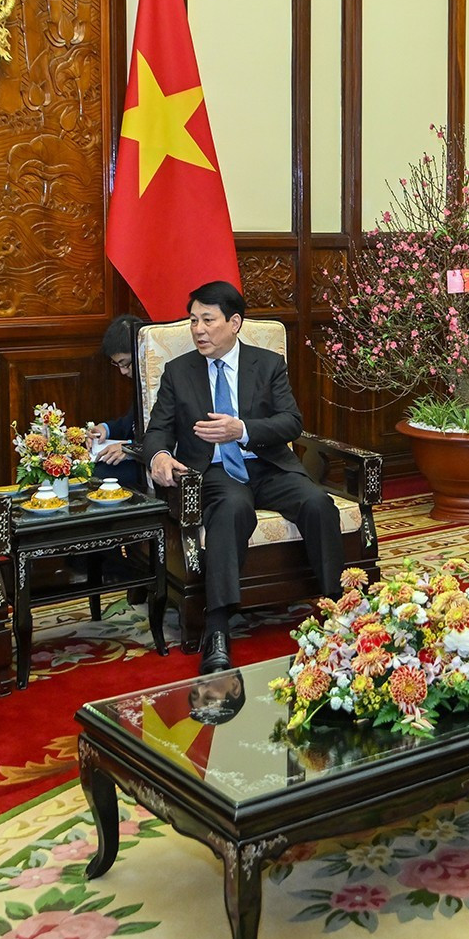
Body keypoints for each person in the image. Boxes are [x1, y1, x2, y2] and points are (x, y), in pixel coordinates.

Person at [144, 280, 342, 673]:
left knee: (318, 503)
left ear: (234, 322)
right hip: (214, 470)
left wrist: (243, 430)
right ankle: (217, 631)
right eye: (193, 320)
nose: (198, 330)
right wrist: (160, 456)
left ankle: (338, 610)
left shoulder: (266, 364)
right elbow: (157, 430)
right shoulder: (178, 372)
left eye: (208, 320)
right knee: (232, 509)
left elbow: (291, 422)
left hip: (268, 464)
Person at [92, 314, 143, 486]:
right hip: (137, 453)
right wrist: (105, 429)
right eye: (117, 365)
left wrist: (130, 448)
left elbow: (170, 435)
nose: (122, 372)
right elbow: (130, 424)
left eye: (125, 363)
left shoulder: (165, 379)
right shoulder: (140, 382)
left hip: (151, 459)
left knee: (100, 476)